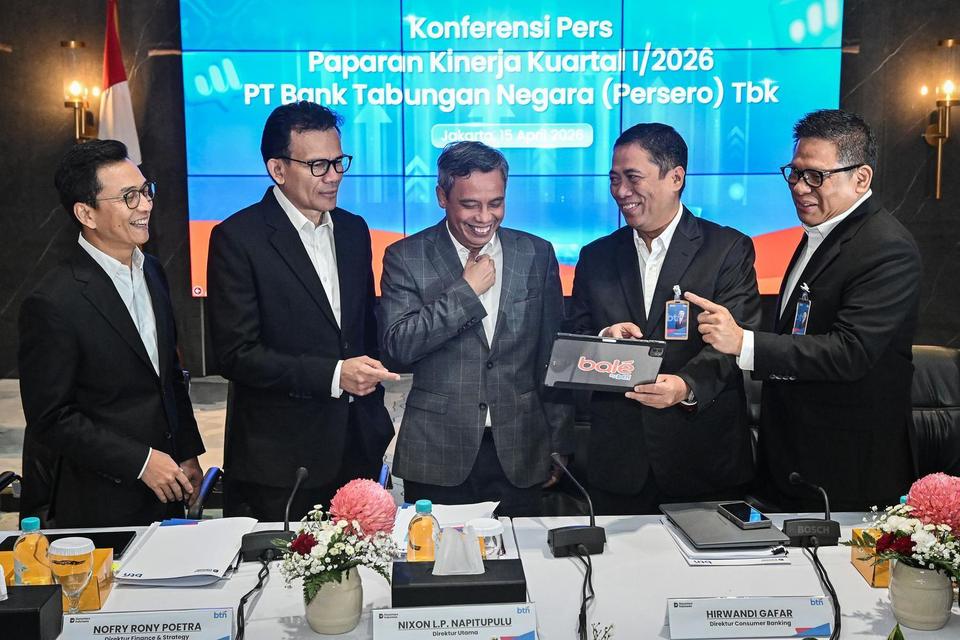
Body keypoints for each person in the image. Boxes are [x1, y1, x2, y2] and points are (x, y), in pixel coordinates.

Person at [687, 109, 922, 511]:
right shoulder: (822, 232)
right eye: (794, 173)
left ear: (861, 178)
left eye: (815, 176)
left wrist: (744, 343)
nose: (798, 186)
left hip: (847, 472)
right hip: (794, 463)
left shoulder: (887, 247)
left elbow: (850, 352)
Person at [207, 101, 398, 521]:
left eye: (339, 162)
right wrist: (334, 374)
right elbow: (236, 354)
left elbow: (361, 331)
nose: (334, 176)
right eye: (318, 166)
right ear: (278, 169)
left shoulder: (353, 230)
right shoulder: (237, 238)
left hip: (358, 448)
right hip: (281, 463)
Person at [566, 123, 761, 515]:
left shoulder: (726, 249)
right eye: (614, 179)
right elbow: (574, 339)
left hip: (702, 460)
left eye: (633, 178)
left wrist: (686, 386)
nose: (621, 191)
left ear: (675, 178)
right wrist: (604, 338)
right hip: (619, 466)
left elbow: (736, 342)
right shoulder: (596, 256)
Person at [378, 141, 573, 517]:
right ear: (442, 196)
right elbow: (397, 347)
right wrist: (465, 293)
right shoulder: (406, 256)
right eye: (470, 204)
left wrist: (559, 440)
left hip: (521, 450)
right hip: (437, 452)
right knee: (435, 556)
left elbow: (553, 357)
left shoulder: (536, 253)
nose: (485, 217)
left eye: (495, 203)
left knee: (521, 555)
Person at [18, 139, 205, 528]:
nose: (146, 205)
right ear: (86, 213)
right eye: (128, 197)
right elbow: (51, 418)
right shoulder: (53, 301)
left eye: (146, 190)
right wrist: (141, 462)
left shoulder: (153, 270)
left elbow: (168, 376)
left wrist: (187, 452)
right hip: (101, 502)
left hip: (168, 487)